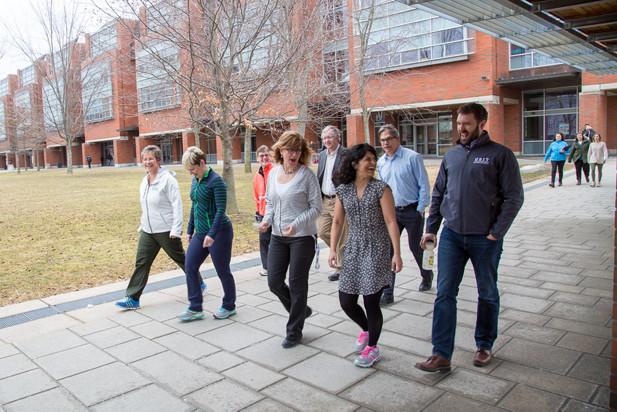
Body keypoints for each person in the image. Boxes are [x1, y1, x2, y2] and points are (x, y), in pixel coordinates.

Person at [415, 103, 524, 372]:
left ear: (481, 123)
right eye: (459, 122)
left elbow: (514, 197)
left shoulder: (500, 154)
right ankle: (441, 354)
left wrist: (495, 233)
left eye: (466, 123)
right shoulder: (451, 155)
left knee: (487, 293)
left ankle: (484, 345)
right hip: (452, 236)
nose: (461, 128)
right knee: (444, 294)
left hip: (484, 240)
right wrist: (432, 227)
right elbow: (439, 194)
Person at [328, 144, 402, 368]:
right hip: (353, 249)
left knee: (371, 300)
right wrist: (332, 249)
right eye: (367, 159)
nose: (372, 163)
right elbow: (338, 221)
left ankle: (373, 348)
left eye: (374, 159)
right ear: (354, 163)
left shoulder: (381, 188)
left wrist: (396, 253)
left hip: (377, 248)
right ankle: (367, 329)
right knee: (347, 301)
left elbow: (391, 221)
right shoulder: (344, 190)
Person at [258, 131, 321, 348]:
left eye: (297, 150)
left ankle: (294, 331)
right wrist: (266, 221)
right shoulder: (274, 173)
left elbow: (316, 208)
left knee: (297, 284)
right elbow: (271, 203)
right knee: (274, 281)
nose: (293, 154)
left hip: (302, 237)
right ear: (280, 151)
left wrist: (297, 224)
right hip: (277, 236)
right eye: (289, 149)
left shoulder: (307, 175)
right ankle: (301, 310)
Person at [115, 145, 188, 310]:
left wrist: (176, 230)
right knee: (142, 262)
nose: (147, 162)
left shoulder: (168, 180)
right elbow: (146, 205)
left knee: (181, 259)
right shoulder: (145, 180)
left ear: (158, 160)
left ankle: (198, 282)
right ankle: (133, 298)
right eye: (145, 159)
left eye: (150, 159)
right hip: (148, 230)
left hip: (166, 230)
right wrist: (143, 223)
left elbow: (177, 206)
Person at [178, 146, 237, 321]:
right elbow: (195, 205)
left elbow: (220, 211)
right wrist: (190, 230)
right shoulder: (196, 179)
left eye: (193, 169)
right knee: (190, 267)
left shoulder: (216, 181)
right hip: (201, 232)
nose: (190, 173)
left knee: (222, 270)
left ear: (202, 163)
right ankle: (195, 307)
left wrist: (211, 234)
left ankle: (229, 305)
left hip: (219, 232)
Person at [376, 124, 432, 305]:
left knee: (416, 248)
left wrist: (421, 209)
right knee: (389, 251)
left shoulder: (412, 158)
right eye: (382, 140)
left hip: (412, 210)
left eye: (389, 139)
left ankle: (427, 275)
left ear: (397, 139)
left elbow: (424, 184)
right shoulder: (381, 162)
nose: (385, 143)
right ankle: (388, 291)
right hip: (392, 213)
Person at [316, 125, 348, 281]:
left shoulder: (346, 155)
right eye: (324, 138)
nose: (327, 141)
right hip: (324, 200)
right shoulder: (322, 156)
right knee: (322, 231)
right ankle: (344, 257)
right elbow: (320, 177)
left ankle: (340, 268)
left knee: (341, 234)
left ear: (337, 137)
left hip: (339, 200)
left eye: (329, 137)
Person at [253, 145, 274, 276]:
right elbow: (257, 195)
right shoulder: (257, 175)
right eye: (262, 155)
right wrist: (257, 212)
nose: (264, 157)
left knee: (276, 241)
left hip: (275, 213)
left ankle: (277, 265)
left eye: (266, 155)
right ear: (257, 158)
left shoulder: (275, 171)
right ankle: (266, 267)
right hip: (262, 213)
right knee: (264, 240)